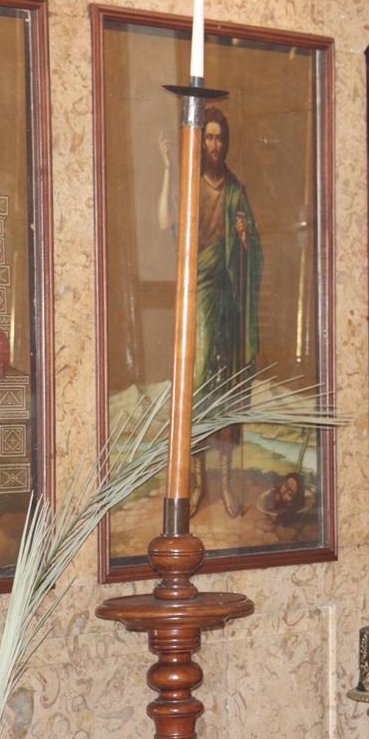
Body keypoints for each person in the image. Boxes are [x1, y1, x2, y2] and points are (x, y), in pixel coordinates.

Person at [158, 107, 264, 516]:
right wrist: (168, 170)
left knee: (228, 384)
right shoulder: (190, 184)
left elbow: (254, 249)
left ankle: (226, 481)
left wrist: (244, 239)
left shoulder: (236, 188)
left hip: (229, 293)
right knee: (199, 381)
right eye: (209, 137)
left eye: (220, 137)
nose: (214, 145)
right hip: (199, 290)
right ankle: (199, 481)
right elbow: (167, 224)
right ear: (200, 142)